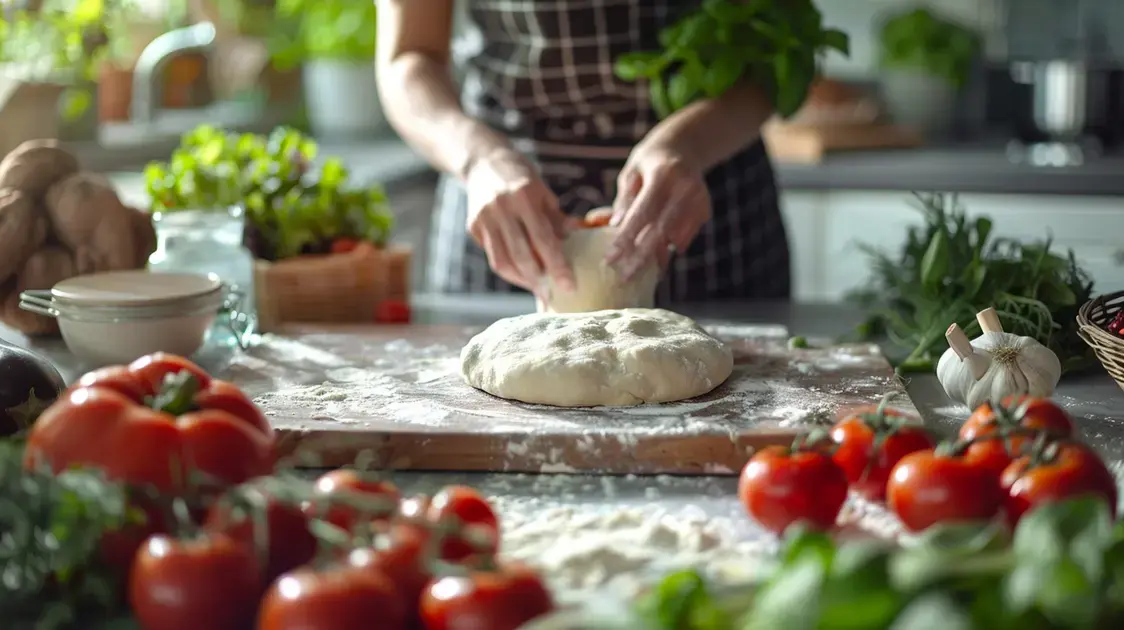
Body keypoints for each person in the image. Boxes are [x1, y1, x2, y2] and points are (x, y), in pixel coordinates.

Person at [376, 0, 790, 305]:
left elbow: (781, 52)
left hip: (702, 198)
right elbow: (408, 57)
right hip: (502, 204)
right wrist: (478, 157)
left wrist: (689, 143)